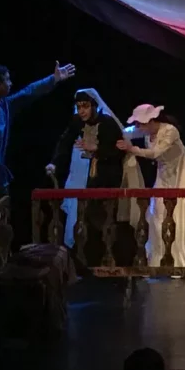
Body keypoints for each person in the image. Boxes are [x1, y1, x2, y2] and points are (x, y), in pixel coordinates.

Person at [0, 61, 75, 298]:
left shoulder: (4, 106)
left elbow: (28, 93)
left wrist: (53, 79)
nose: (11, 84)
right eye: (7, 80)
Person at [116, 104, 185, 269]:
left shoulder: (170, 131)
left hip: (181, 174)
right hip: (163, 175)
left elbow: (155, 153)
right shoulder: (146, 132)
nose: (138, 127)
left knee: (181, 215)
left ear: (151, 121)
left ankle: (183, 260)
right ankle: (160, 259)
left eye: (140, 123)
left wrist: (132, 148)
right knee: (158, 213)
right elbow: (126, 131)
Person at [46, 88, 126, 260]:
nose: (81, 111)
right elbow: (65, 141)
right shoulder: (77, 122)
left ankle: (106, 258)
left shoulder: (107, 123)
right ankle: (80, 260)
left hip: (105, 177)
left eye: (85, 106)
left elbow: (119, 151)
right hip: (84, 176)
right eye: (79, 107)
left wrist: (97, 148)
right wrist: (54, 163)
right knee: (81, 218)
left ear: (94, 106)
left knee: (101, 220)